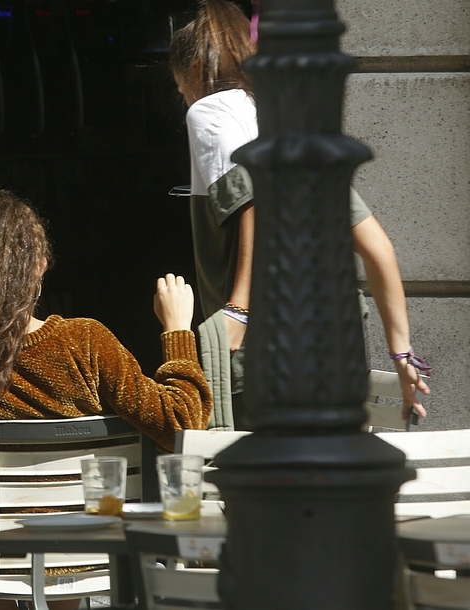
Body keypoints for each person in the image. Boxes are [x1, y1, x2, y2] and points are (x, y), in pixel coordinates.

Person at [0, 190, 211, 609]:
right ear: (41, 265)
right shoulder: (86, 341)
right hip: (91, 554)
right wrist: (178, 330)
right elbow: (183, 422)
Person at [170, 0, 430, 422]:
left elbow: (255, 200)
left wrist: (238, 311)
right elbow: (378, 247)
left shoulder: (210, 112)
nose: (181, 97)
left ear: (190, 71)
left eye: (178, 86)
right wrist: (401, 352)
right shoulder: (287, 126)